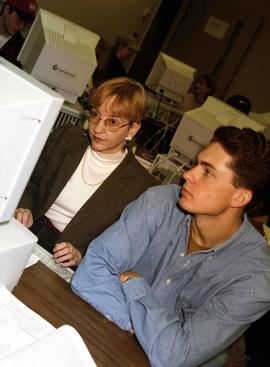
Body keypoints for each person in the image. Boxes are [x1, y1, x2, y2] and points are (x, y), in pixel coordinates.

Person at [71, 126, 270, 367]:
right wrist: (145, 331)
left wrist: (136, 286)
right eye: (197, 164)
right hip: (108, 339)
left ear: (239, 198)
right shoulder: (161, 201)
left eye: (207, 172)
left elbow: (175, 357)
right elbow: (89, 273)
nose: (189, 174)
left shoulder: (254, 279)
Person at [15, 77, 157, 267]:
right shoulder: (67, 138)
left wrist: (81, 255)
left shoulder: (141, 186)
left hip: (65, 260)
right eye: (95, 115)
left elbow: (121, 247)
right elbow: (30, 182)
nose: (98, 129)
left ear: (133, 128)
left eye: (112, 122)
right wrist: (24, 207)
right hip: (26, 229)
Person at [0, 0, 37, 67]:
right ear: (6, 10)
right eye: (19, 19)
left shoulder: (20, 51)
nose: (21, 26)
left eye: (25, 22)